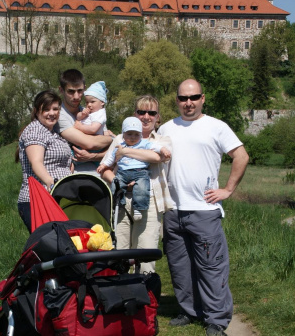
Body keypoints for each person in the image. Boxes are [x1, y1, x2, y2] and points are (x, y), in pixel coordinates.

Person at [158, 79, 249, 336]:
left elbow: (241, 156)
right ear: (176, 100)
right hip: (173, 210)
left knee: (211, 267)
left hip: (204, 211)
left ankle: (216, 320)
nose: (188, 103)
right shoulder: (166, 128)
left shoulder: (216, 127)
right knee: (179, 267)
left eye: (194, 97)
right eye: (183, 98)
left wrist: (228, 190)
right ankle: (189, 311)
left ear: (203, 98)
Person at [100, 95, 173, 273]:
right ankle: (120, 294)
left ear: (158, 117)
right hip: (122, 200)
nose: (146, 116)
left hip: (151, 202)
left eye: (151, 112)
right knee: (121, 251)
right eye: (141, 112)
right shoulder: (119, 139)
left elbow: (157, 157)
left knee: (145, 252)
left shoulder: (161, 141)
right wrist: (120, 183)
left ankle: (145, 296)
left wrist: (124, 152)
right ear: (135, 115)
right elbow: (104, 169)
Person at [17, 90, 72, 232]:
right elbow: (36, 162)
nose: (52, 113)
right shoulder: (35, 130)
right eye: (46, 109)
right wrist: (51, 182)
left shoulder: (53, 132)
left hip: (57, 198)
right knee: (49, 245)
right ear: (36, 111)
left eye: (55, 109)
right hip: (38, 199)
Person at [97, 116, 169, 221]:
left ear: (140, 134)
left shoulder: (144, 143)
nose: (133, 137)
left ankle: (138, 208)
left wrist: (163, 149)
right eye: (129, 134)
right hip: (122, 173)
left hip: (140, 172)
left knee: (141, 189)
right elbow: (111, 158)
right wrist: (103, 165)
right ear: (123, 135)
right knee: (115, 187)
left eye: (136, 134)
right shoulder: (119, 145)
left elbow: (156, 148)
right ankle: (118, 204)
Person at [56, 70, 113, 176]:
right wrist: (113, 139)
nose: (77, 96)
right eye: (71, 91)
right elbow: (89, 143)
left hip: (99, 175)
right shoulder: (58, 115)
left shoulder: (92, 112)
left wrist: (93, 156)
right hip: (72, 177)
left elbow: (111, 150)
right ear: (61, 90)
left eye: (80, 91)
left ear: (85, 89)